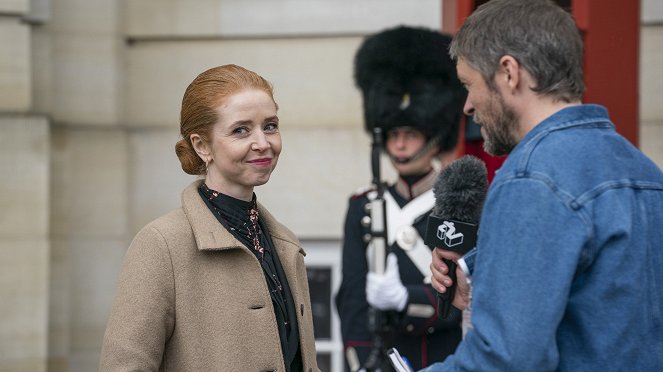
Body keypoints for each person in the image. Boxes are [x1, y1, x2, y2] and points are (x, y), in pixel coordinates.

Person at [425, 0, 663, 371]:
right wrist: (477, 280)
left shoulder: (531, 179)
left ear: (509, 73)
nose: (468, 106)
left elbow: (506, 360)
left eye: (469, 85)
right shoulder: (646, 172)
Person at [100, 64, 319, 371]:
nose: (263, 143)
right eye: (241, 130)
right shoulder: (161, 244)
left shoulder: (285, 243)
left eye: (270, 126)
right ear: (202, 146)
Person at [335, 26, 467, 371]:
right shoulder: (362, 207)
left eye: (411, 134)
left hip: (443, 358)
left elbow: (460, 301)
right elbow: (352, 302)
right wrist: (363, 363)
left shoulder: (458, 204)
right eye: (394, 134)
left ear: (435, 138)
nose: (400, 146)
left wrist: (405, 300)